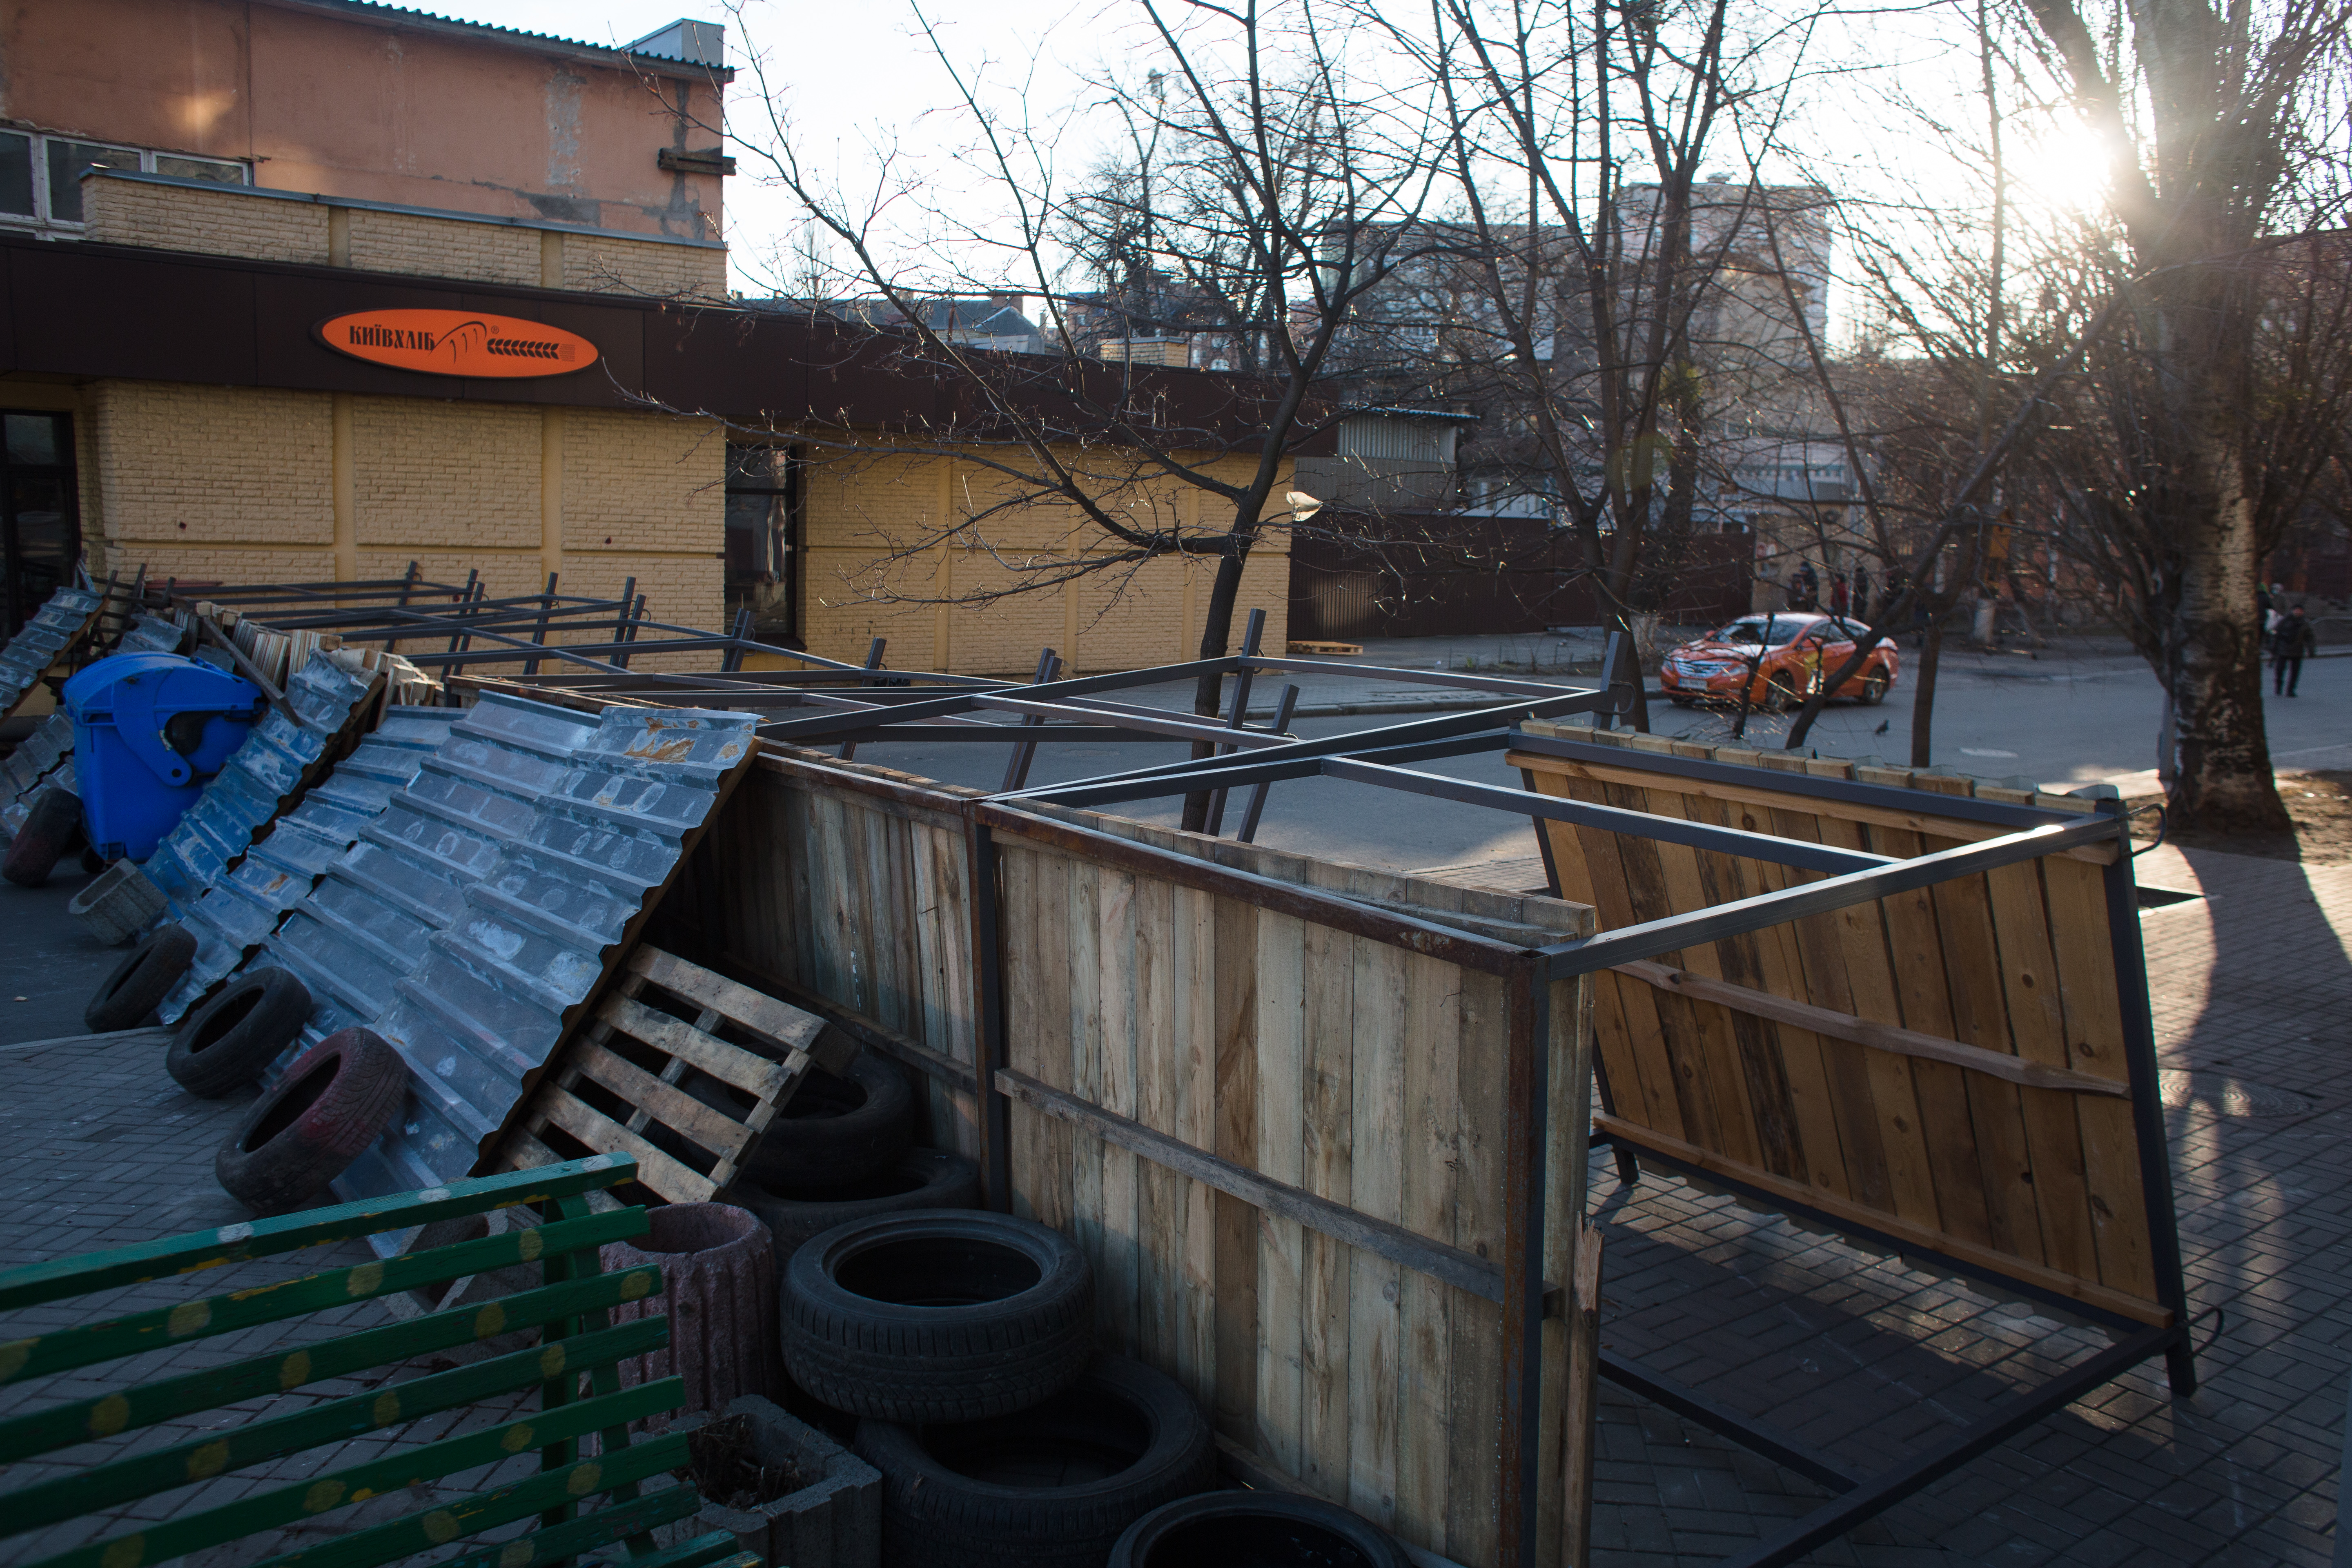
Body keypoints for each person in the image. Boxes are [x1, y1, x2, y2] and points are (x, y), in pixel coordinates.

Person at [2272, 603, 2317, 696]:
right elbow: (2276, 633)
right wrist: (2273, 646)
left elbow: (2310, 638)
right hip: (2283, 649)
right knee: (2279, 669)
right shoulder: (2284, 621)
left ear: (2303, 612)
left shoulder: (2305, 623)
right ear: (2292, 610)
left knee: (2295, 672)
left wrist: (2311, 651)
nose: (2298, 612)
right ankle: (2279, 686)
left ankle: (2291, 690)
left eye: (2300, 610)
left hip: (2297, 650)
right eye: (2296, 610)